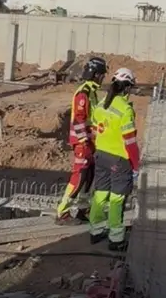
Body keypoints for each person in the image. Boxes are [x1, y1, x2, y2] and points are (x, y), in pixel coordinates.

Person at [89, 67, 140, 251]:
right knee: (117, 199)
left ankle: (95, 231)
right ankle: (116, 239)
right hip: (119, 159)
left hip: (100, 155)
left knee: (100, 194)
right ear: (127, 87)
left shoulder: (101, 104)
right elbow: (131, 143)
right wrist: (135, 166)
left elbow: (94, 132)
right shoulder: (125, 110)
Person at [56, 56, 108, 224]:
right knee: (79, 177)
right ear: (95, 74)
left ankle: (82, 210)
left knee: (88, 177)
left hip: (91, 143)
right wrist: (85, 141)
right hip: (83, 143)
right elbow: (79, 120)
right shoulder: (83, 93)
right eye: (101, 75)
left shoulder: (92, 92)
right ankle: (62, 213)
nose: (102, 78)